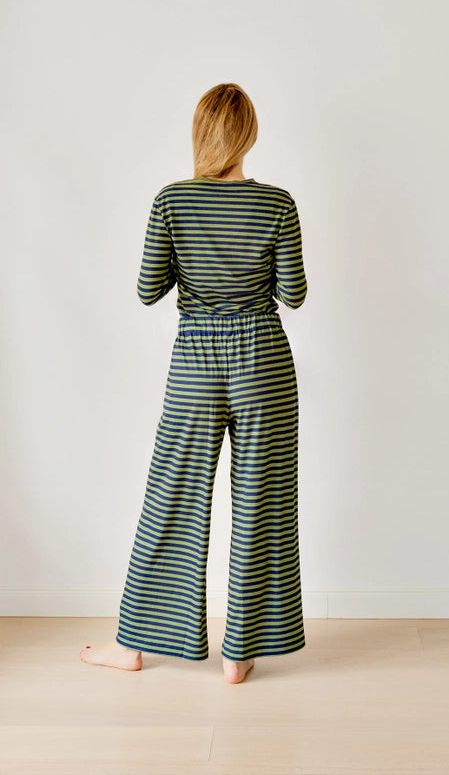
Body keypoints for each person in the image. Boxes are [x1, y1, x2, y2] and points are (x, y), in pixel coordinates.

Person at [80, 82, 308, 684]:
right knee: (263, 501)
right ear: (248, 134)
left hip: (196, 362)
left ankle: (135, 645)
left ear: (201, 133)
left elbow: (147, 290)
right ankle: (240, 652)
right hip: (264, 360)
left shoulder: (172, 200)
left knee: (172, 496)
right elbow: (294, 294)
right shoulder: (278, 204)